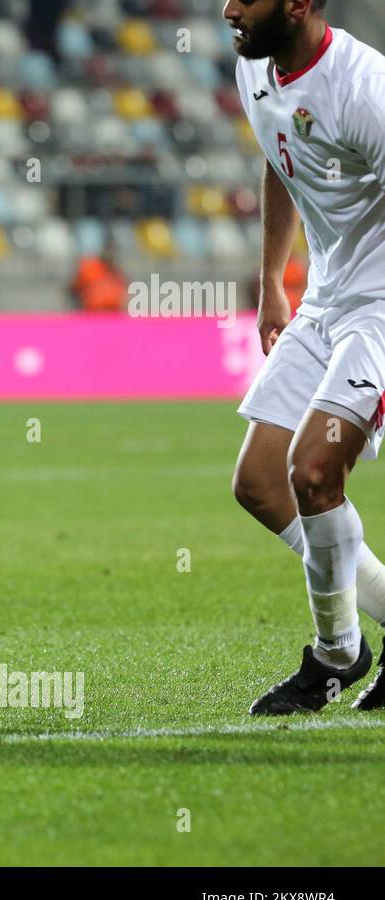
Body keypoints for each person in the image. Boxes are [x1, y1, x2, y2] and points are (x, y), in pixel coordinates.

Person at [226, 0, 385, 712]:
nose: (229, 9)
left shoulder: (366, 91)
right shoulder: (253, 67)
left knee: (314, 470)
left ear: (299, 5)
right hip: (323, 297)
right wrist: (272, 282)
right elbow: (279, 157)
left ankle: (334, 654)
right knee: (262, 483)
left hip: (380, 307)